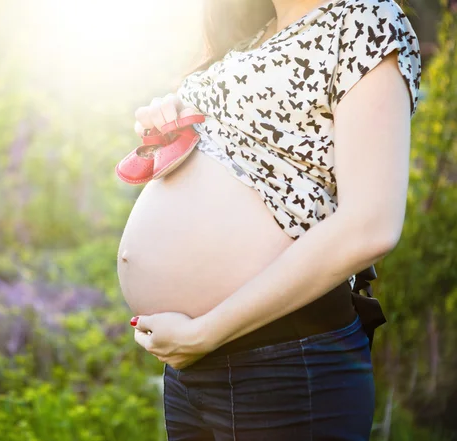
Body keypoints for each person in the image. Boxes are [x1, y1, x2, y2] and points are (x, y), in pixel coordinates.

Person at [116, 0, 422, 439]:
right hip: (195, 370)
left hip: (282, 362)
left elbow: (371, 225)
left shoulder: (363, 18)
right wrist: (171, 122)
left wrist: (205, 332)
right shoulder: (252, 34)